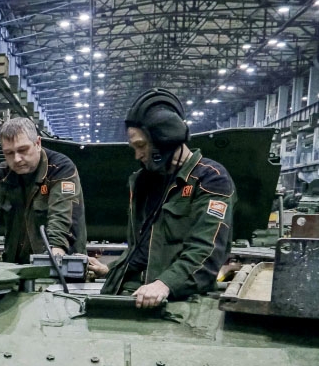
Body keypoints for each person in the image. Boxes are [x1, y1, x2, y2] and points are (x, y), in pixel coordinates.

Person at [96, 89, 236, 308]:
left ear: (166, 139)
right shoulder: (144, 180)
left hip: (177, 299)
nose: (138, 155)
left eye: (141, 145)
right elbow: (142, 248)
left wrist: (164, 284)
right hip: (129, 291)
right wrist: (110, 269)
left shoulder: (210, 179)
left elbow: (206, 252)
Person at [0, 117, 84, 262]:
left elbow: (61, 222)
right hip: (15, 264)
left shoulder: (61, 169)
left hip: (59, 263)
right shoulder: (3, 173)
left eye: (23, 150)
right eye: (9, 153)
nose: (17, 159)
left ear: (37, 143)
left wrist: (55, 262)